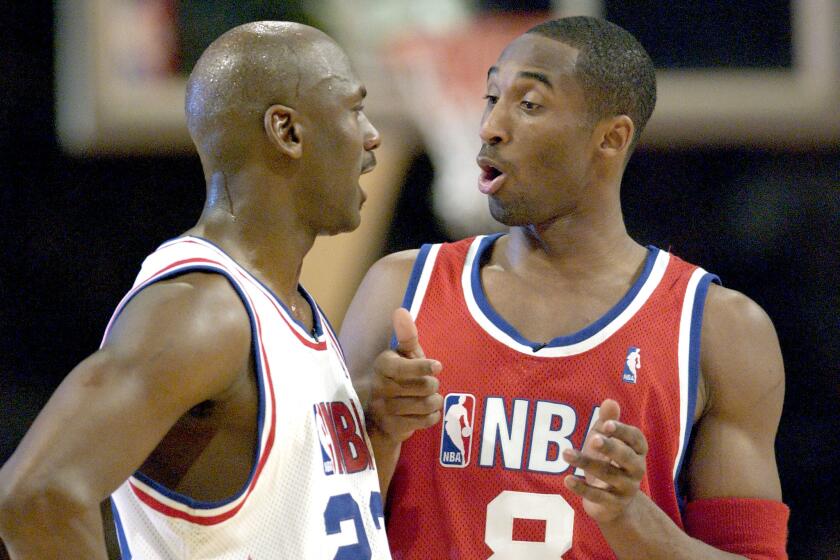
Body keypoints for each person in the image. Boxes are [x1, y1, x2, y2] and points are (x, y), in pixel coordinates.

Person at [340, 16, 789, 559]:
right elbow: (320, 528)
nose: (490, 127)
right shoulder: (401, 290)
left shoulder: (720, 328)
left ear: (611, 138)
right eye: (490, 98)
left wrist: (632, 517)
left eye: (529, 104)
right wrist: (381, 431)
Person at [0, 21, 390, 559]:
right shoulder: (202, 311)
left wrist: (381, 423)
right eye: (353, 110)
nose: (371, 136)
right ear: (287, 131)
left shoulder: (291, 307)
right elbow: (33, 497)